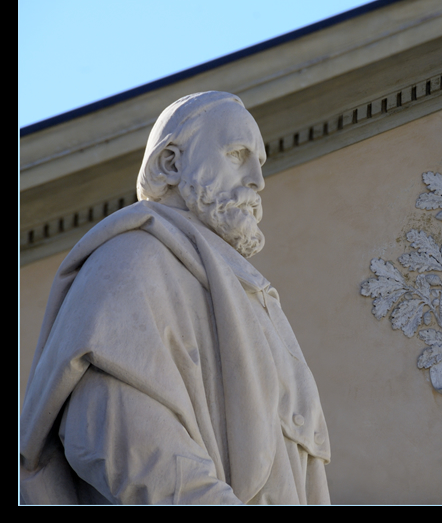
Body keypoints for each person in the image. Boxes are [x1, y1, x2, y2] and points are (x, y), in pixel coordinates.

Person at [20, 92, 331, 504]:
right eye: (237, 154)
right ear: (171, 162)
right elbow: (112, 434)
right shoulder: (128, 261)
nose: (258, 179)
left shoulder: (247, 295)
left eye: (259, 161)